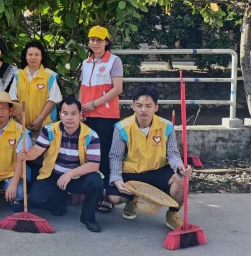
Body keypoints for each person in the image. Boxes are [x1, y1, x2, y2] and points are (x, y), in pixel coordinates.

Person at [107, 86, 192, 230]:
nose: (143, 110)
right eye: (139, 105)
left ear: (156, 107)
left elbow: (172, 153)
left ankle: (173, 213)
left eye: (148, 106)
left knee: (181, 180)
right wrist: (116, 179)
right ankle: (131, 200)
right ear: (133, 106)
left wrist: (180, 167)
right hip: (131, 173)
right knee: (114, 198)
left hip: (157, 170)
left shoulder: (167, 126)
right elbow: (115, 156)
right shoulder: (121, 128)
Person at [21, 96, 104, 232]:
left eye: (73, 114)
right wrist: (27, 154)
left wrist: (69, 174)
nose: (69, 118)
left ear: (80, 115)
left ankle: (88, 217)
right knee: (35, 200)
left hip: (77, 176)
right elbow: (36, 151)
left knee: (96, 182)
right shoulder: (49, 130)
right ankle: (62, 200)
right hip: (53, 174)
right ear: (60, 114)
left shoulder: (91, 135)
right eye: (65, 113)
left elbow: (94, 165)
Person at [79, 25, 123, 213]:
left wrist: (94, 104)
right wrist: (81, 110)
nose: (95, 43)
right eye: (92, 39)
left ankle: (105, 195)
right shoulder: (86, 62)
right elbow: (83, 88)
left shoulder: (114, 61)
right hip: (88, 115)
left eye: (99, 40)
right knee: (88, 154)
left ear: (106, 41)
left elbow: (117, 89)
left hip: (105, 115)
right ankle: (91, 193)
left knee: (104, 155)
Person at [10, 40, 62, 133]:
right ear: (25, 56)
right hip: (21, 125)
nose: (33, 57)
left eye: (37, 55)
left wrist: (40, 118)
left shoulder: (50, 76)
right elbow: (13, 98)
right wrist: (19, 118)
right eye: (30, 54)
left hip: (45, 125)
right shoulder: (18, 75)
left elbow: (53, 99)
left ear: (42, 56)